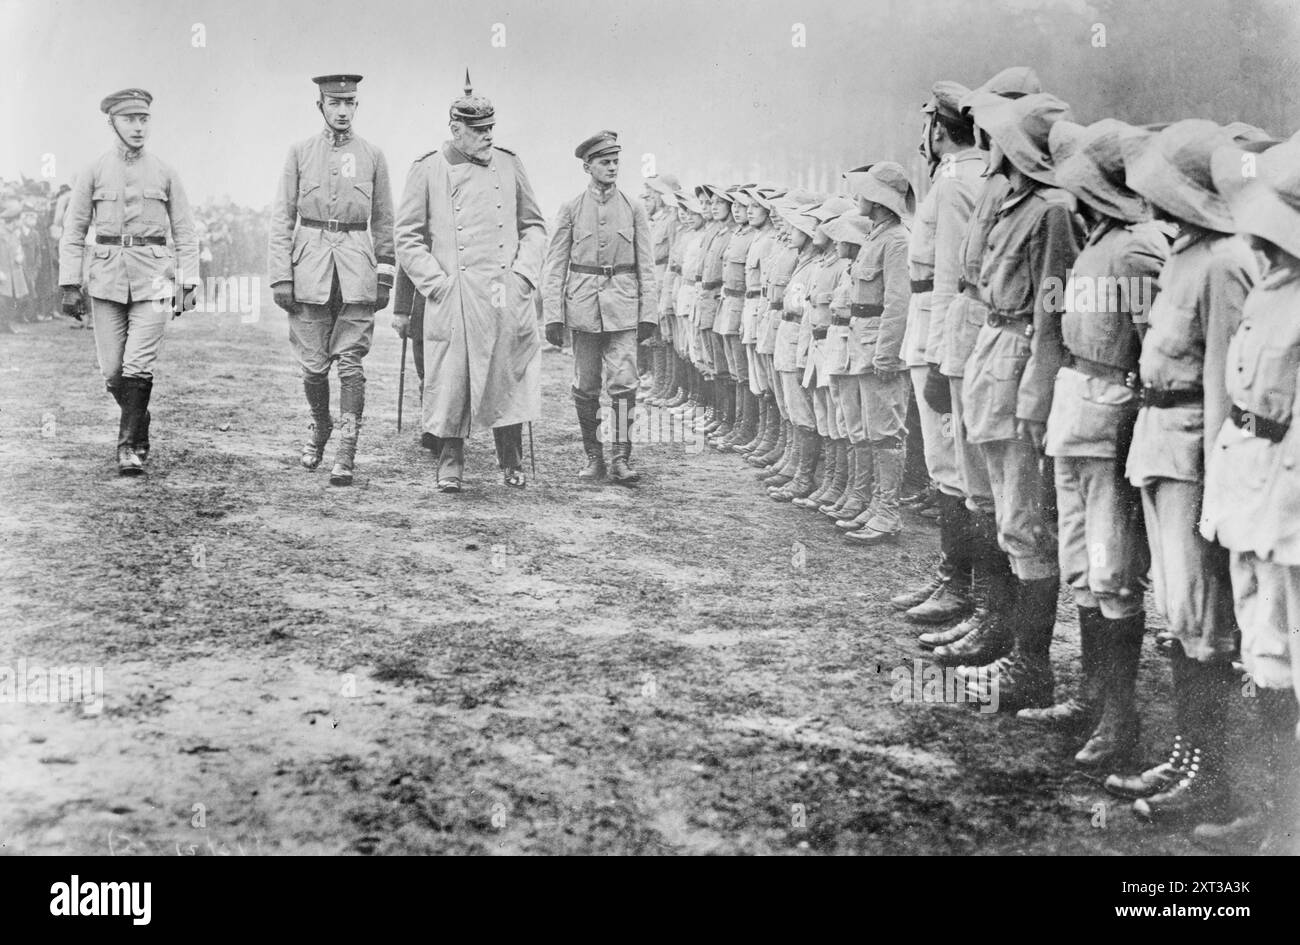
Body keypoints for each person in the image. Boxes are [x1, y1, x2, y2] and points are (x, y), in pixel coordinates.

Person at [1017, 118, 1169, 767]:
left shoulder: (1136, 248)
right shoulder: (1101, 240)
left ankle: (1119, 716)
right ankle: (1088, 697)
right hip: (1075, 416)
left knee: (1112, 572)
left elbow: (1152, 349)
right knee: (1081, 563)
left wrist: (1133, 425)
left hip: (1109, 425)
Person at [954, 92, 1084, 711]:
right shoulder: (1009, 201)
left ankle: (1032, 667)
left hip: (1020, 360)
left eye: (1000, 135)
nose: (988, 142)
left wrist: (1039, 387)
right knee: (997, 507)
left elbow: (1052, 309)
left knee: (1024, 520)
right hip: (992, 347)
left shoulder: (1052, 210)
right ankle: (1003, 637)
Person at [1198, 130, 1300, 854]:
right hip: (1251, 489)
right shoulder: (1270, 287)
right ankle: (1271, 810)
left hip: (1289, 504)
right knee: (1264, 651)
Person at [394, 72, 547, 492]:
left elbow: (534, 225)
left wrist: (523, 274)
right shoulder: (428, 169)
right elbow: (406, 236)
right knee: (452, 378)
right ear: (455, 129)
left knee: (506, 372)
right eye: (478, 130)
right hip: (454, 293)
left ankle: (510, 457)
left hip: (503, 291)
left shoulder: (510, 164)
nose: (487, 137)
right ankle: (450, 459)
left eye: (491, 129)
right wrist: (436, 284)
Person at [58, 88, 199, 475]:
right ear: (112, 123)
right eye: (129, 120)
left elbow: (185, 232)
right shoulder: (93, 171)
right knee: (112, 371)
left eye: (143, 119)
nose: (138, 127)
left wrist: (188, 283)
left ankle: (129, 446)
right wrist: (70, 283)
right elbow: (73, 230)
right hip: (105, 279)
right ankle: (140, 419)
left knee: (138, 364)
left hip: (155, 278)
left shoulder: (166, 172)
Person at [269, 73, 395, 487]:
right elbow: (282, 218)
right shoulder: (300, 153)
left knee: (351, 362)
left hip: (357, 269)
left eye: (350, 103)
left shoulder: (373, 155)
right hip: (310, 269)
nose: (343, 110)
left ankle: (346, 450)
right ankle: (320, 425)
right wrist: (280, 277)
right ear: (319, 105)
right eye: (334, 103)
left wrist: (385, 276)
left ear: (357, 106)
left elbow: (384, 220)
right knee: (313, 366)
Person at [895, 81, 983, 622]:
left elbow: (951, 276)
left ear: (938, 128)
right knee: (950, 466)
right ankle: (954, 580)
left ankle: (959, 586)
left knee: (950, 467)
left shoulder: (954, 185)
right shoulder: (963, 177)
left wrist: (942, 357)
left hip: (940, 331)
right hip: (937, 327)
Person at [542, 131, 657, 484]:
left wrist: (648, 312)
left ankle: (621, 457)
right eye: (604, 162)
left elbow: (646, 265)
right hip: (583, 308)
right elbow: (555, 264)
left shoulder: (633, 207)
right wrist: (553, 315)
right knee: (586, 384)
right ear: (586, 166)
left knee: (624, 382)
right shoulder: (571, 209)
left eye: (615, 162)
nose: (611, 167)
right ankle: (594, 456)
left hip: (623, 306)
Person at [839, 163, 914, 545]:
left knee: (886, 432)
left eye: (866, 192)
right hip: (861, 340)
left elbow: (898, 302)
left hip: (879, 345)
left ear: (880, 200)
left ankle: (888, 513)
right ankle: (874, 504)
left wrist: (888, 353)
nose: (859, 197)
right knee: (870, 429)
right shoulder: (877, 235)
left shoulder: (897, 240)